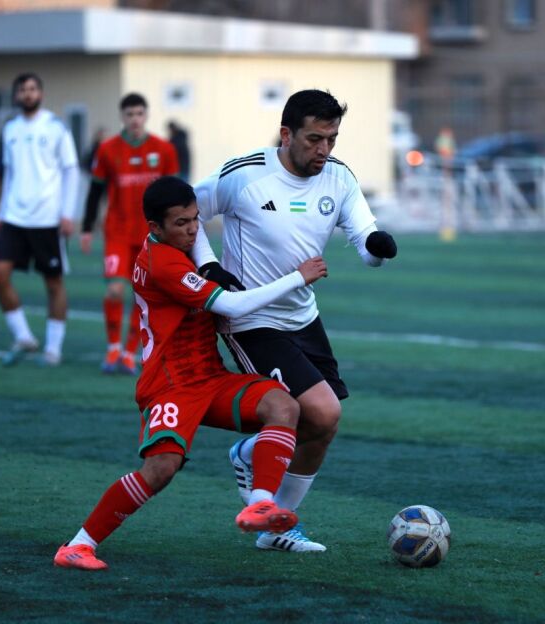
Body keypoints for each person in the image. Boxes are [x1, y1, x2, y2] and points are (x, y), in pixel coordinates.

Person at [54, 176, 328, 570]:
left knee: (283, 406)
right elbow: (232, 307)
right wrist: (298, 278)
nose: (193, 229)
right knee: (160, 470)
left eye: (195, 219)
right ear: (155, 227)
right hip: (171, 385)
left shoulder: (180, 248)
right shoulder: (162, 262)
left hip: (210, 377)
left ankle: (261, 505)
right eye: (181, 223)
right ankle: (78, 546)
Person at [191, 89, 398, 552]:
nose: (324, 149)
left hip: (303, 315)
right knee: (323, 410)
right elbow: (190, 213)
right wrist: (208, 266)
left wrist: (378, 250)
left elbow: (365, 240)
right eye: (314, 139)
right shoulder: (244, 175)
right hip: (252, 318)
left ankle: (275, 522)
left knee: (322, 426)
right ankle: (264, 488)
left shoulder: (339, 178)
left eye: (332, 139)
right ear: (286, 135)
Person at [81, 93, 179, 374]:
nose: (135, 119)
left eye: (139, 114)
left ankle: (129, 354)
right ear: (122, 117)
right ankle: (112, 348)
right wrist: (87, 227)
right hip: (117, 233)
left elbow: (174, 193)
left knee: (142, 296)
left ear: (146, 116)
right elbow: (95, 191)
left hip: (151, 235)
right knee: (115, 290)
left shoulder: (163, 149)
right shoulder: (107, 150)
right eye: (129, 114)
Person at [0, 72, 80, 367]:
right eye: (23, 90)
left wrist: (67, 213)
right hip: (14, 217)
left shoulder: (56, 127)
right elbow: (9, 175)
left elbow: (71, 170)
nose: (27, 94)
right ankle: (24, 337)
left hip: (47, 218)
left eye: (32, 89)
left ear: (40, 93)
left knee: (53, 283)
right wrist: (1, 213)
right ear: (16, 95)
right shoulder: (10, 129)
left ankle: (53, 348)